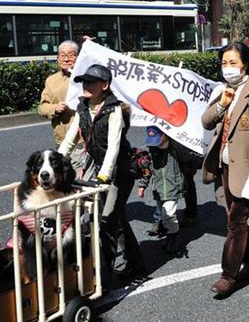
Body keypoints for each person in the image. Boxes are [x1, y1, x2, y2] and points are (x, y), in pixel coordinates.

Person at [58, 64, 144, 282]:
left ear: (104, 85)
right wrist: (53, 165)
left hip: (119, 170)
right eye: (84, 82)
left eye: (91, 82)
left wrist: (104, 176)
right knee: (117, 218)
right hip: (97, 168)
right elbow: (70, 139)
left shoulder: (114, 110)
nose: (85, 86)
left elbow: (114, 147)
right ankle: (136, 262)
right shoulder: (83, 108)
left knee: (106, 221)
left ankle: (102, 277)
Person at [201, 42, 249, 297]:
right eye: (224, 63)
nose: (228, 68)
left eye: (233, 62)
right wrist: (221, 105)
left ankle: (228, 275)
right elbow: (206, 121)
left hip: (248, 171)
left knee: (236, 222)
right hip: (225, 167)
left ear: (245, 64)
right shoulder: (225, 91)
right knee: (237, 221)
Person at [137, 126, 194, 254]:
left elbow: (189, 162)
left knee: (168, 214)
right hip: (158, 189)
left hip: (173, 188)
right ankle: (169, 234)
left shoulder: (176, 148)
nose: (155, 143)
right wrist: (142, 185)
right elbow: (147, 170)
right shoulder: (151, 150)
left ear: (164, 135)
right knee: (163, 214)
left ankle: (175, 237)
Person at [39, 40, 80, 147]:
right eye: (63, 56)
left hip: (82, 139)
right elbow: (42, 107)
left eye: (71, 55)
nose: (66, 59)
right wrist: (55, 108)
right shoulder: (51, 80)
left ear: (78, 57)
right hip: (61, 138)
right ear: (58, 59)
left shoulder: (87, 77)